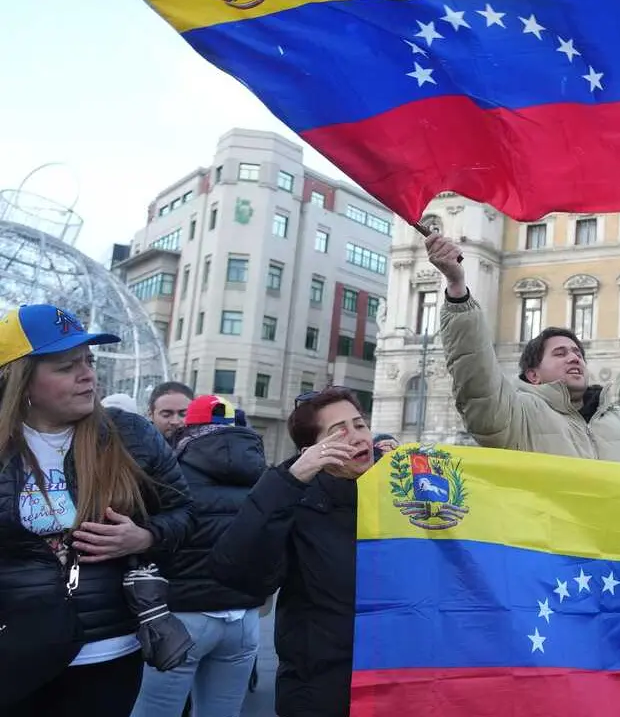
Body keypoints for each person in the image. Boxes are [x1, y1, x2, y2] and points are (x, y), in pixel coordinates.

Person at [0, 304, 193, 717]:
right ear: (22, 379)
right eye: (68, 366)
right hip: (13, 651)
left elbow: (185, 515)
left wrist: (146, 537)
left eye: (89, 361)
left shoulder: (129, 434)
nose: (89, 375)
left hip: (107, 655)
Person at [421, 230, 620, 464]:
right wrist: (457, 290)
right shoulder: (517, 416)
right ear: (533, 375)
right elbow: (477, 379)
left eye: (577, 353)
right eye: (560, 353)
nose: (574, 358)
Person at [209, 386, 376, 717]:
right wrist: (290, 478)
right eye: (338, 432)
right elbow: (235, 568)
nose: (357, 437)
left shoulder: (396, 494)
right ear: (311, 451)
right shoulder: (295, 501)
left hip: (392, 679)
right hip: (320, 688)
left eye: (359, 425)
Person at [133, 396, 267, 717]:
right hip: (243, 619)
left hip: (181, 617)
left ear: (188, 426)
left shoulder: (169, 472)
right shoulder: (263, 474)